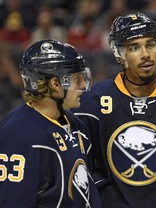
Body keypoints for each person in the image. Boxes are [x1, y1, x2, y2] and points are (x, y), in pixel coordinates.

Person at [72, 12, 156, 207]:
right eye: (134, 47)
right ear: (120, 56)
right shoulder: (92, 103)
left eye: (150, 45)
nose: (145, 54)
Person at [0, 39, 101, 207]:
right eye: (77, 79)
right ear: (55, 84)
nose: (83, 85)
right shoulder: (17, 136)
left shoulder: (76, 125)